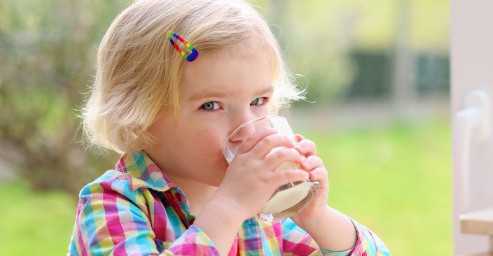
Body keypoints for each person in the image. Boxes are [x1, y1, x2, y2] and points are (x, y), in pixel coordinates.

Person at [68, 0, 390, 255]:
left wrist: (317, 219)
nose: (248, 129)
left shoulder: (260, 213)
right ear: (141, 114)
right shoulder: (112, 203)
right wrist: (230, 206)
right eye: (211, 105)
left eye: (259, 101)